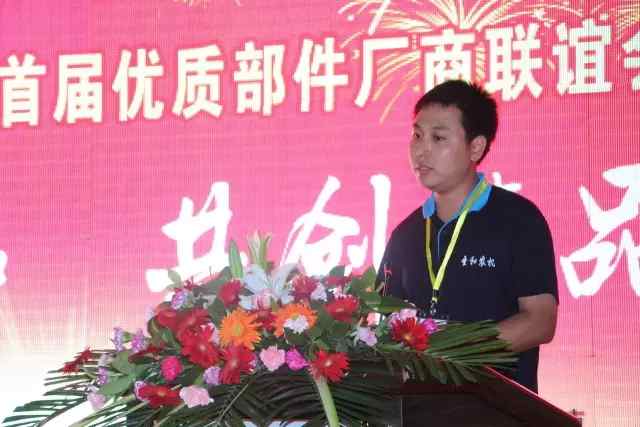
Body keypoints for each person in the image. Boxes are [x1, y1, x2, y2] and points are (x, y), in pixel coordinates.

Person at [377, 79, 558, 393]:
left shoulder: (518, 219)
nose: (422, 150)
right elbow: (385, 324)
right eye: (417, 135)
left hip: (498, 407)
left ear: (476, 147)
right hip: (421, 407)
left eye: (438, 138)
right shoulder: (405, 235)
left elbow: (540, 321)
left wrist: (454, 354)